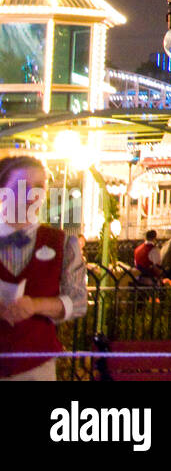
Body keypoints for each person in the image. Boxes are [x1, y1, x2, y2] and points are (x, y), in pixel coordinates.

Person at [0, 155, 88, 381]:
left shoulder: (62, 243)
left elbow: (78, 301)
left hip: (35, 366)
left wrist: (35, 305)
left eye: (39, 187)